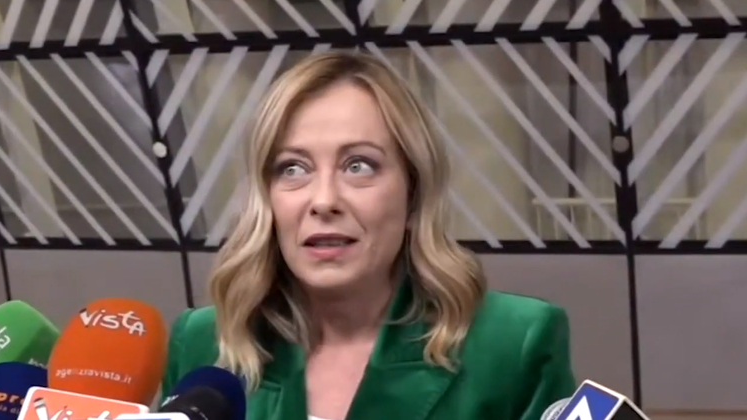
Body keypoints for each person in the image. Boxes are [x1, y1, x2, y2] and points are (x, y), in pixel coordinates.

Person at [162, 51, 576, 420]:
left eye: (358, 165)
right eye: (293, 168)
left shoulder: (512, 343)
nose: (324, 201)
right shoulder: (202, 342)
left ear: (414, 195)